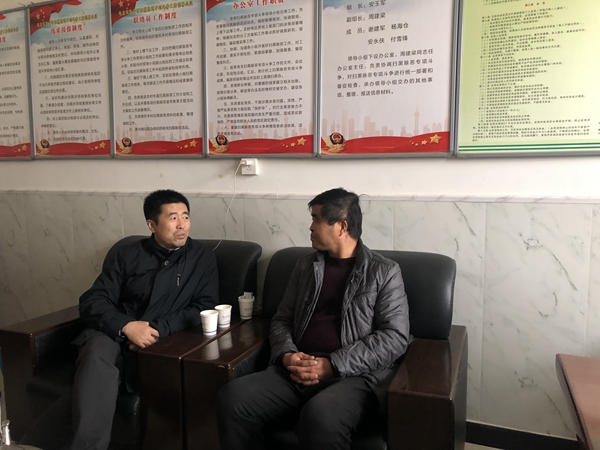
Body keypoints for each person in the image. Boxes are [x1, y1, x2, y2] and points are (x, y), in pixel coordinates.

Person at [22, 189, 219, 450]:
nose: (182, 225)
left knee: (90, 384)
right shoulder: (128, 254)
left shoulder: (201, 257)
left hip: (159, 341)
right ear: (151, 225)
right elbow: (93, 300)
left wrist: (157, 330)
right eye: (173, 218)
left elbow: (204, 306)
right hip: (111, 333)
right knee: (96, 357)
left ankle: (28, 444)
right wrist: (127, 326)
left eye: (185, 216)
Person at [216, 188, 409, 450]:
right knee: (232, 398)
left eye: (316, 219)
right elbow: (282, 319)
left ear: (341, 226)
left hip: (354, 377)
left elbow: (394, 337)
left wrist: (333, 365)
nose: (310, 227)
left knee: (320, 417)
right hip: (296, 369)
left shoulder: (384, 272)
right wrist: (287, 355)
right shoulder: (306, 266)